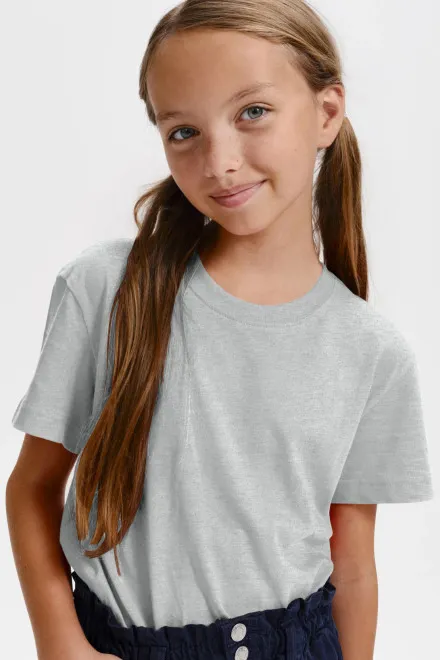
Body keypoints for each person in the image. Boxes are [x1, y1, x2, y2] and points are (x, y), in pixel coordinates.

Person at [7, 1, 434, 659]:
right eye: (184, 131)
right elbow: (33, 487)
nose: (220, 161)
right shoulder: (106, 289)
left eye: (252, 112)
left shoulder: (372, 351)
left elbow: (353, 565)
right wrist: (61, 643)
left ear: (326, 113)